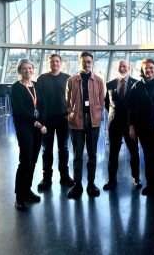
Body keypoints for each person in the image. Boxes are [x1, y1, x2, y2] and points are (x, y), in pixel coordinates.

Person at [66, 51, 105, 199]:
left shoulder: (99, 81)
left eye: (89, 61)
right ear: (80, 62)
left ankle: (91, 183)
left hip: (93, 122)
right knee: (77, 155)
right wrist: (72, 115)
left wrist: (95, 114)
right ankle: (77, 185)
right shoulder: (72, 80)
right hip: (77, 121)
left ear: (92, 63)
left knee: (92, 154)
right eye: (84, 61)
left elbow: (101, 101)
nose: (87, 64)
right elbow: (68, 101)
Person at [11, 59, 47, 211]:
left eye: (30, 68)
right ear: (20, 70)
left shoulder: (36, 85)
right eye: (24, 68)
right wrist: (36, 123)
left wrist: (43, 123)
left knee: (32, 160)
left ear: (33, 70)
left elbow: (43, 105)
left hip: (38, 127)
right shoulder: (16, 87)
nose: (28, 71)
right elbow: (19, 110)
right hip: (25, 126)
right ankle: (19, 195)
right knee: (25, 160)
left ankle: (27, 190)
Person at [37, 54, 74, 190]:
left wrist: (70, 114)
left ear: (61, 63)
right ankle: (47, 178)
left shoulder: (67, 78)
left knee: (63, 148)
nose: (55, 63)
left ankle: (64, 176)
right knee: (47, 149)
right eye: (52, 61)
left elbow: (72, 98)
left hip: (63, 119)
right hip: (47, 119)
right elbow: (38, 100)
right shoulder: (42, 79)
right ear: (49, 63)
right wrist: (40, 119)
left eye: (57, 61)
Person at [129, 58, 154, 196]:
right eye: (146, 68)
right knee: (148, 157)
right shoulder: (136, 87)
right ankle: (151, 184)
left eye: (151, 67)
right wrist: (131, 127)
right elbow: (131, 109)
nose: (149, 70)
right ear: (142, 71)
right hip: (143, 128)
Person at [103, 60, 141, 190]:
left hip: (131, 125)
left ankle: (136, 178)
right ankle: (111, 180)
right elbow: (107, 103)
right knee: (113, 153)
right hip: (114, 124)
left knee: (134, 153)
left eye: (125, 66)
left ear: (129, 68)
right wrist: (114, 115)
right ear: (117, 68)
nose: (123, 68)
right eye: (120, 66)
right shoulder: (110, 84)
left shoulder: (136, 83)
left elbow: (137, 105)